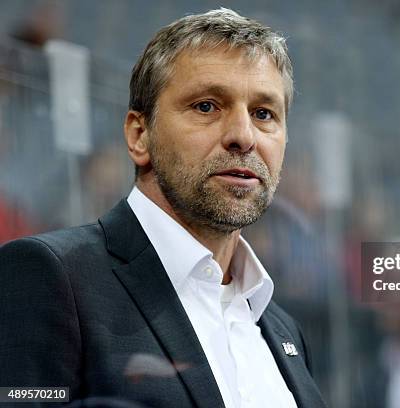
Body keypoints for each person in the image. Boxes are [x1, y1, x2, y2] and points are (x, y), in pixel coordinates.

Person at [0, 8, 326, 408]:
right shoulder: (48, 275)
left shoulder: (283, 328)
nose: (244, 136)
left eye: (263, 114)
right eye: (207, 106)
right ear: (140, 135)